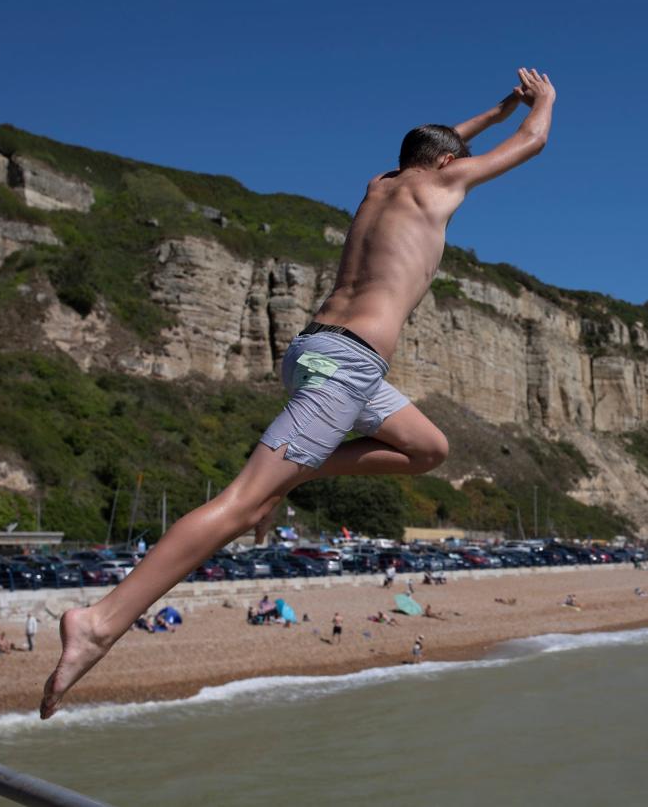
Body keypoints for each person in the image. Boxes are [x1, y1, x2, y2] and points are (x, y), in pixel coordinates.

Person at [40, 68, 556, 719]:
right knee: (237, 504)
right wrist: (541, 104)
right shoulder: (442, 182)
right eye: (459, 155)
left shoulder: (383, 184)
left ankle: (286, 482)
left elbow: (445, 142)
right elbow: (533, 142)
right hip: (348, 364)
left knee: (427, 447)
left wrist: (492, 109)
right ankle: (100, 622)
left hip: (315, 352)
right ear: (449, 163)